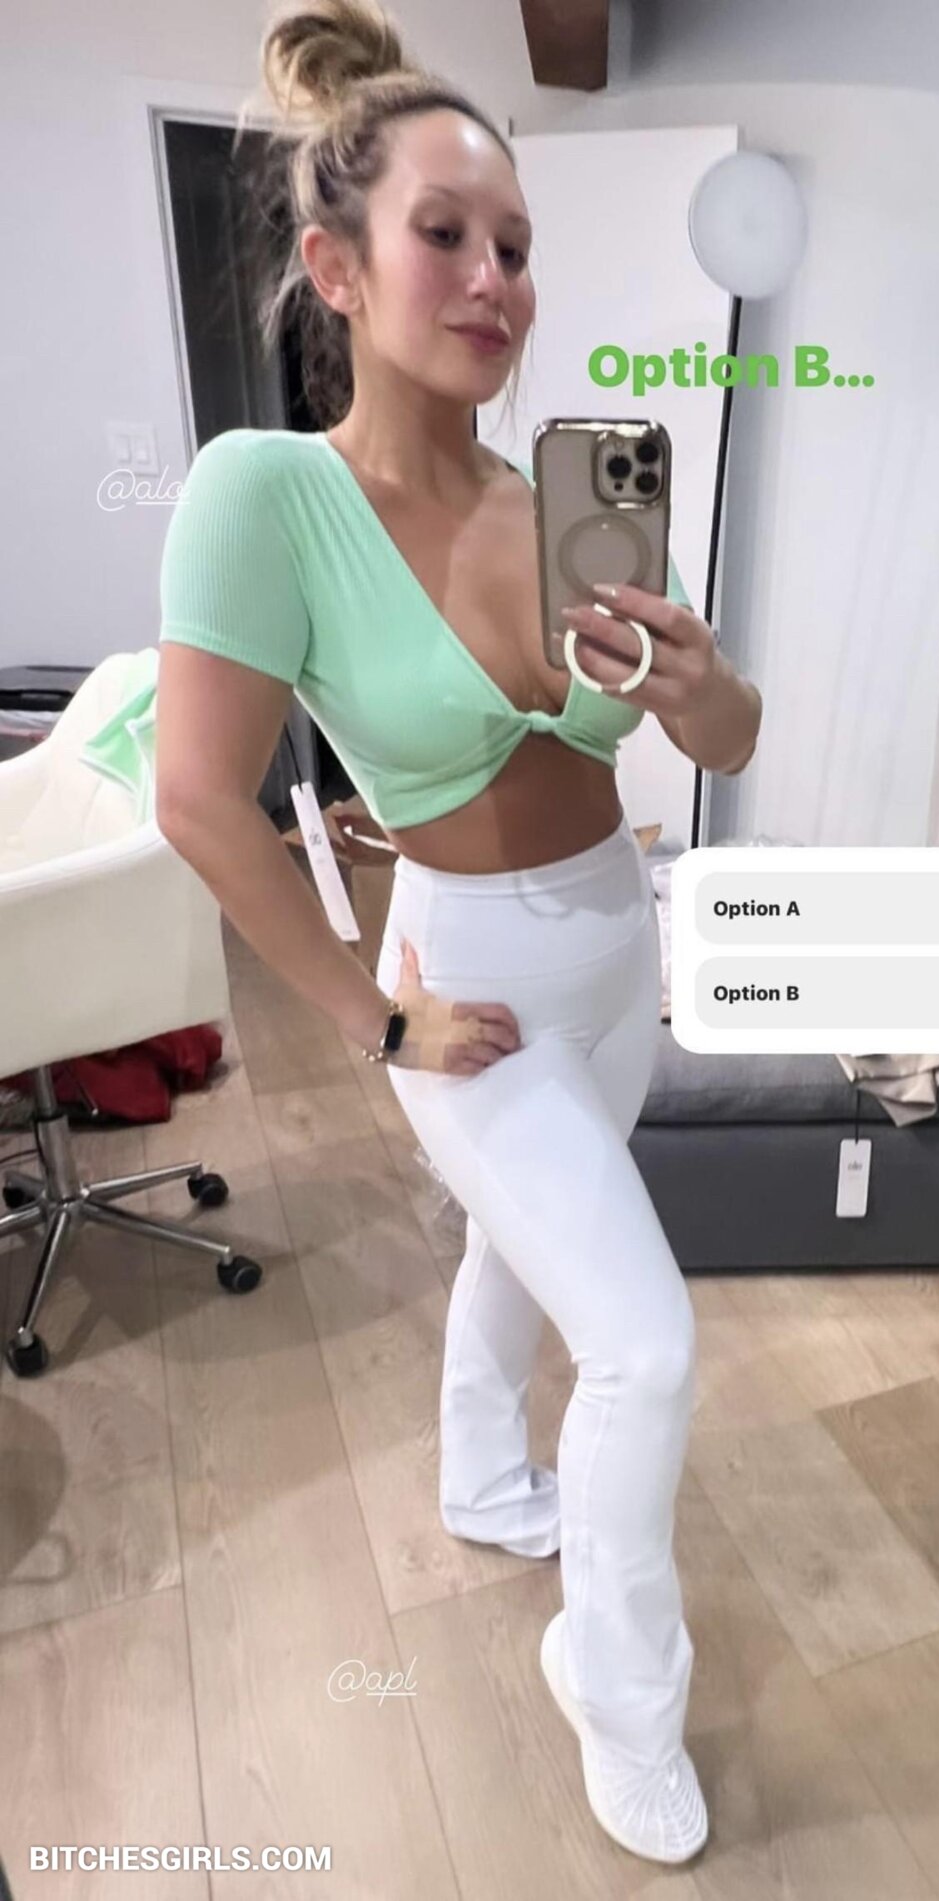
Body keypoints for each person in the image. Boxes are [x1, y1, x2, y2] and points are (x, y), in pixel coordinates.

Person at [154, 0, 762, 1867]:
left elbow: (728, 738)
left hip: (613, 950)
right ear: (337, 266)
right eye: (447, 235)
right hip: (466, 978)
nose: (495, 279)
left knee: (527, 1237)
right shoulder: (267, 495)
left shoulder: (575, 488)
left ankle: (485, 1475)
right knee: (642, 1345)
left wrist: (698, 693)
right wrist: (373, 1020)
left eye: (514, 244)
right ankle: (615, 1679)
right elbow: (202, 800)